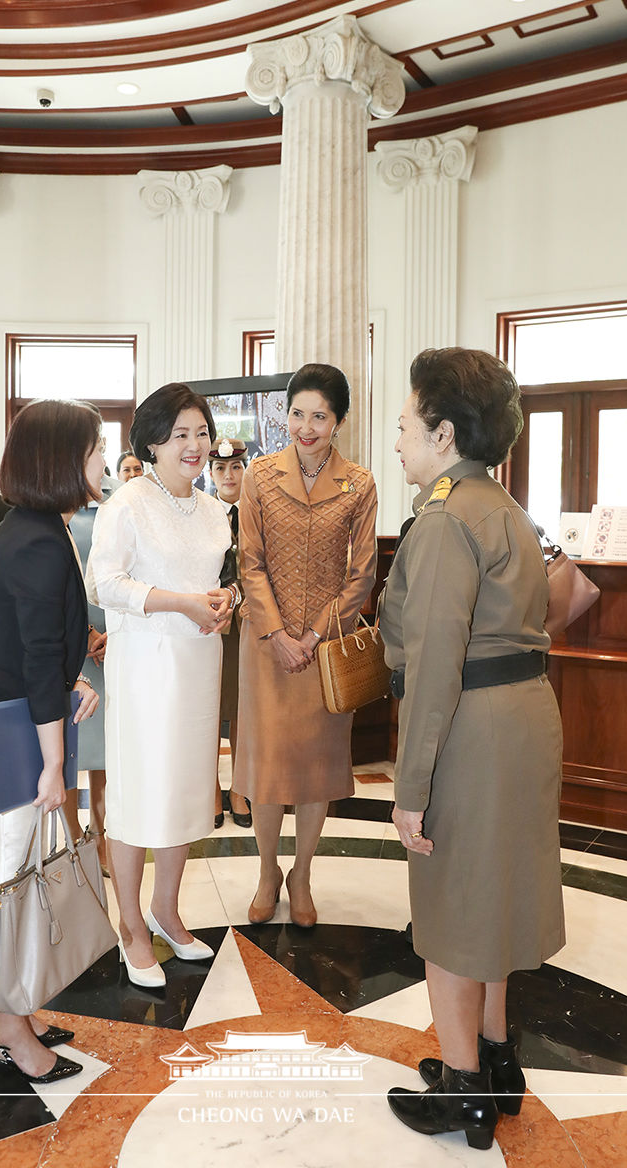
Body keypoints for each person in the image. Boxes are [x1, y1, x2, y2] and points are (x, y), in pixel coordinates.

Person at [381, 347, 565, 1151]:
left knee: (454, 907)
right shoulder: (506, 508)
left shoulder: (445, 518)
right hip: (523, 717)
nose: (398, 442)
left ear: (444, 434)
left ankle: (463, 1091)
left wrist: (410, 784)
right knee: (492, 899)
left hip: (469, 727)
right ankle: (497, 1060)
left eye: (405, 426)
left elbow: (432, 669)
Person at [0, 400, 102, 1085]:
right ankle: (8, 1030)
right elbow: (33, 656)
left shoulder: (35, 527)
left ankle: (6, 1010)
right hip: (7, 735)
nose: (99, 462)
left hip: (0, 722)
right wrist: (55, 758)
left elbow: (32, 647)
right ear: (62, 459)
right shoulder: (36, 538)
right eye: (93, 450)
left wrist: (68, 686)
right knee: (5, 880)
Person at [88, 383, 236, 988]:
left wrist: (225, 601)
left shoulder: (212, 508)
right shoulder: (127, 503)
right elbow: (105, 585)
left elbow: (216, 580)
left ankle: (167, 910)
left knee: (184, 792)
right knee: (139, 795)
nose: (195, 445)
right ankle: (131, 925)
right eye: (181, 435)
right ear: (152, 442)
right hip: (146, 667)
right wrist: (181, 603)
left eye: (201, 433)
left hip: (200, 662)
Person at [234, 363, 378, 928]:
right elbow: (250, 562)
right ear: (284, 415)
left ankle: (303, 872)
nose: (307, 426)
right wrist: (275, 634)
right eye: (298, 414)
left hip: (325, 647)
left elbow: (362, 573)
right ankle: (268, 871)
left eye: (320, 416)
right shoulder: (260, 475)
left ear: (339, 420)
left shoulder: (360, 483)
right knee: (268, 767)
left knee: (317, 767)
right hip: (265, 645)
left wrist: (314, 636)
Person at [65, 469, 116, 872]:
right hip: (69, 639)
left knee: (102, 748)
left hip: (113, 639)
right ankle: (70, 835)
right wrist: (83, 633)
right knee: (70, 743)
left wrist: (113, 633)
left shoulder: (119, 503)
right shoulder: (57, 506)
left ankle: (101, 833)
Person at [208, 437, 251, 829]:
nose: (228, 475)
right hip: (206, 624)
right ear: (210, 473)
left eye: (236, 467)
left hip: (245, 626)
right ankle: (210, 789)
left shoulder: (255, 514)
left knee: (239, 708)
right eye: (220, 468)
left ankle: (239, 788)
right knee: (208, 707)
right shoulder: (202, 513)